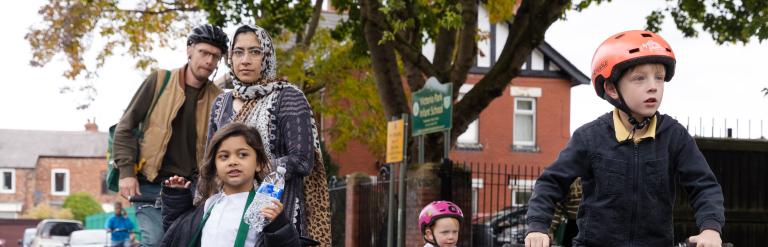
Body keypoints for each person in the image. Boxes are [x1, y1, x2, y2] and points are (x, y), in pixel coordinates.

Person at [524, 30, 725, 247]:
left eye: (659, 77)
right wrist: (537, 227)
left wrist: (711, 229)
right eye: (639, 78)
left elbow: (703, 186)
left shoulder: (674, 136)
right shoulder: (589, 137)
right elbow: (550, 183)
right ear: (611, 88)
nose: (653, 86)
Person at [207, 24, 330, 245]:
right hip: (227, 211)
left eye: (255, 52)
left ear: (267, 57)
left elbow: (303, 160)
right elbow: (210, 160)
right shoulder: (220, 103)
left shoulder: (288, 97)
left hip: (276, 213)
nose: (245, 60)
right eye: (238, 52)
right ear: (230, 57)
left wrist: (256, 168)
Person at [112, 24, 228, 246]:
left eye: (216, 57)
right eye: (204, 53)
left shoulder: (220, 99)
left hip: (193, 188)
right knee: (155, 241)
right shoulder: (159, 81)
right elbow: (125, 127)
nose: (209, 62)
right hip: (151, 183)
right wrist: (126, 172)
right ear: (189, 50)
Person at [160, 123, 300, 247]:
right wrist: (176, 200)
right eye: (224, 156)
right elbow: (176, 235)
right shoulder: (209, 205)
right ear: (214, 166)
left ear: (259, 164)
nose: (232, 161)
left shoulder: (263, 209)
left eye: (242, 155)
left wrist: (278, 225)